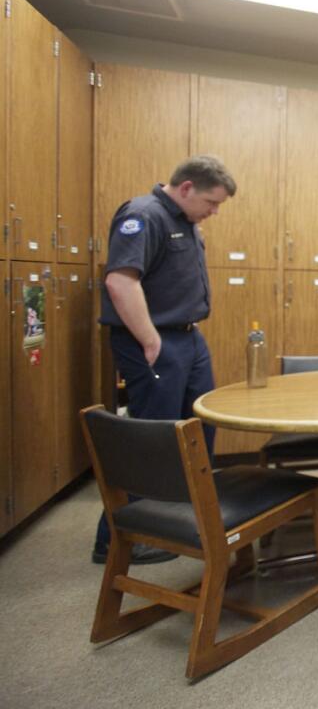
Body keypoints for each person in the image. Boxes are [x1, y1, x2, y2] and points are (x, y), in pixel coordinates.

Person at [91, 155, 236, 564]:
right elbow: (121, 280)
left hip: (187, 338)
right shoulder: (143, 215)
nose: (214, 212)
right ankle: (122, 537)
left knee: (199, 425)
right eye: (211, 202)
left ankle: (187, 518)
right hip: (155, 341)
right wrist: (150, 340)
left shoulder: (187, 223)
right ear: (186, 187)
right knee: (153, 439)